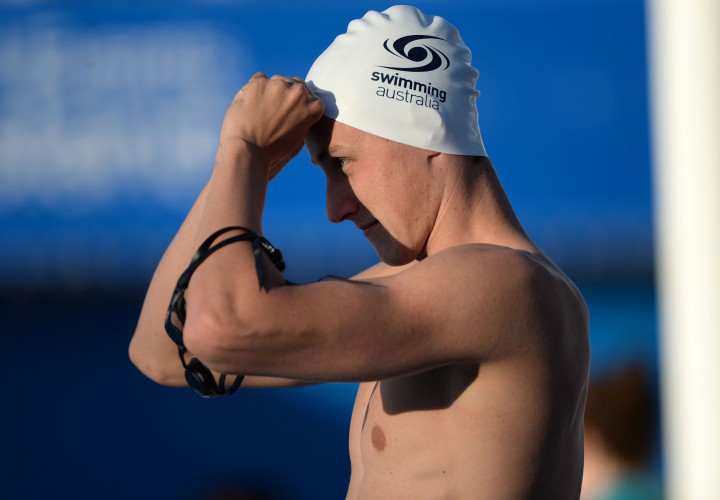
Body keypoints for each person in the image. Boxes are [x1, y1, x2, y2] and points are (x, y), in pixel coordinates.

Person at [129, 5, 590, 499]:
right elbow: (165, 352)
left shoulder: (506, 286)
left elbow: (220, 326)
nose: (335, 209)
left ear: (426, 131)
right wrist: (244, 167)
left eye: (343, 163)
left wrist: (244, 150)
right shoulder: (428, 287)